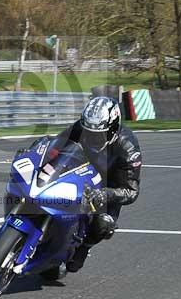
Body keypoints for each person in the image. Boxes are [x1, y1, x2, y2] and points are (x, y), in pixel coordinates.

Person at [54, 95, 143, 272]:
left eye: (98, 135)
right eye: (88, 133)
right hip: (78, 172)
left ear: (113, 128)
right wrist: (36, 153)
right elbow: (56, 146)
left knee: (104, 223)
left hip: (108, 186)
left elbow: (131, 191)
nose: (92, 138)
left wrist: (105, 194)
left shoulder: (128, 148)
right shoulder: (80, 127)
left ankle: (84, 248)